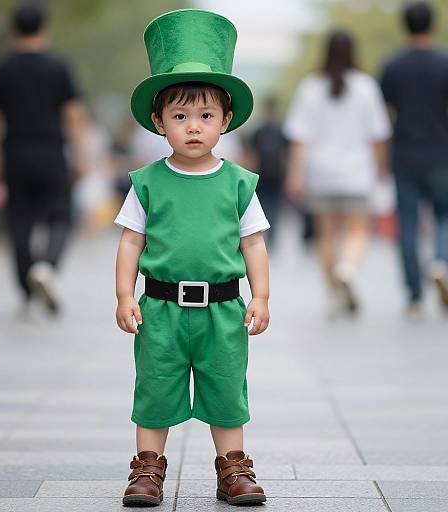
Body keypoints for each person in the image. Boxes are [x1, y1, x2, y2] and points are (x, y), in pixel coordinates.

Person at [114, 9, 270, 507]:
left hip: (223, 309)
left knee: (226, 389)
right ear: (159, 122)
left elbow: (253, 244)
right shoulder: (147, 182)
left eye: (205, 116)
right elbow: (131, 242)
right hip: (159, 307)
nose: (193, 128)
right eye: (180, 117)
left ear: (226, 120)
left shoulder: (239, 183)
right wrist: (124, 294)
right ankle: (147, 471)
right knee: (155, 388)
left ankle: (234, 470)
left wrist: (261, 295)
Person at [0, 3, 88, 316]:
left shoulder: (1, 68)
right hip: (51, 152)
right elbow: (74, 115)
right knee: (60, 216)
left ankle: (27, 291)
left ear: (14, 29)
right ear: (45, 29)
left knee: (19, 221)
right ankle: (47, 267)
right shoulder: (58, 67)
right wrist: (81, 155)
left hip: (15, 152)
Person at [285, 30, 391, 318]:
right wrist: (382, 170)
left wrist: (295, 175)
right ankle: (348, 268)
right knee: (357, 231)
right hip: (357, 172)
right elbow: (378, 135)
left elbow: (300, 138)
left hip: (320, 173)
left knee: (326, 235)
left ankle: (333, 292)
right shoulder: (366, 86)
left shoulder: (311, 86)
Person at [380, 1, 448, 317]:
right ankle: (440, 261)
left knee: (407, 223)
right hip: (440, 154)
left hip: (404, 155)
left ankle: (415, 296)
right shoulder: (444, 63)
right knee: (445, 215)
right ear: (432, 25)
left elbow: (388, 115)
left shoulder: (392, 66)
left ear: (405, 26)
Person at [248, 97, 287, 249]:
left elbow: (285, 154)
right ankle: (264, 235)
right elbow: (252, 153)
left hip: (277, 175)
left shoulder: (281, 131)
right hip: (261, 174)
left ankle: (272, 236)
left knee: (275, 207)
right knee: (263, 206)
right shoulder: (259, 131)